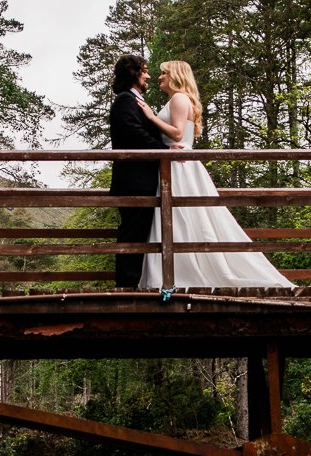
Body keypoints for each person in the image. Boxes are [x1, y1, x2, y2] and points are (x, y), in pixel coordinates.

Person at [135, 60, 295, 290]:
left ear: (176, 76)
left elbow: (178, 135)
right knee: (182, 218)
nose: (159, 77)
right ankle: (178, 271)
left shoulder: (179, 98)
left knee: (182, 216)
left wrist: (151, 117)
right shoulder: (177, 99)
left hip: (180, 166)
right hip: (174, 164)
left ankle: (181, 274)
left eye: (164, 73)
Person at [106, 53, 165, 288]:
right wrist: (164, 151)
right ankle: (126, 286)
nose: (148, 75)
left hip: (142, 179)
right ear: (134, 73)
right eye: (145, 70)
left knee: (140, 233)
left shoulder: (134, 99)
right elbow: (134, 135)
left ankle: (136, 284)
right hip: (133, 180)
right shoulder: (125, 101)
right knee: (132, 233)